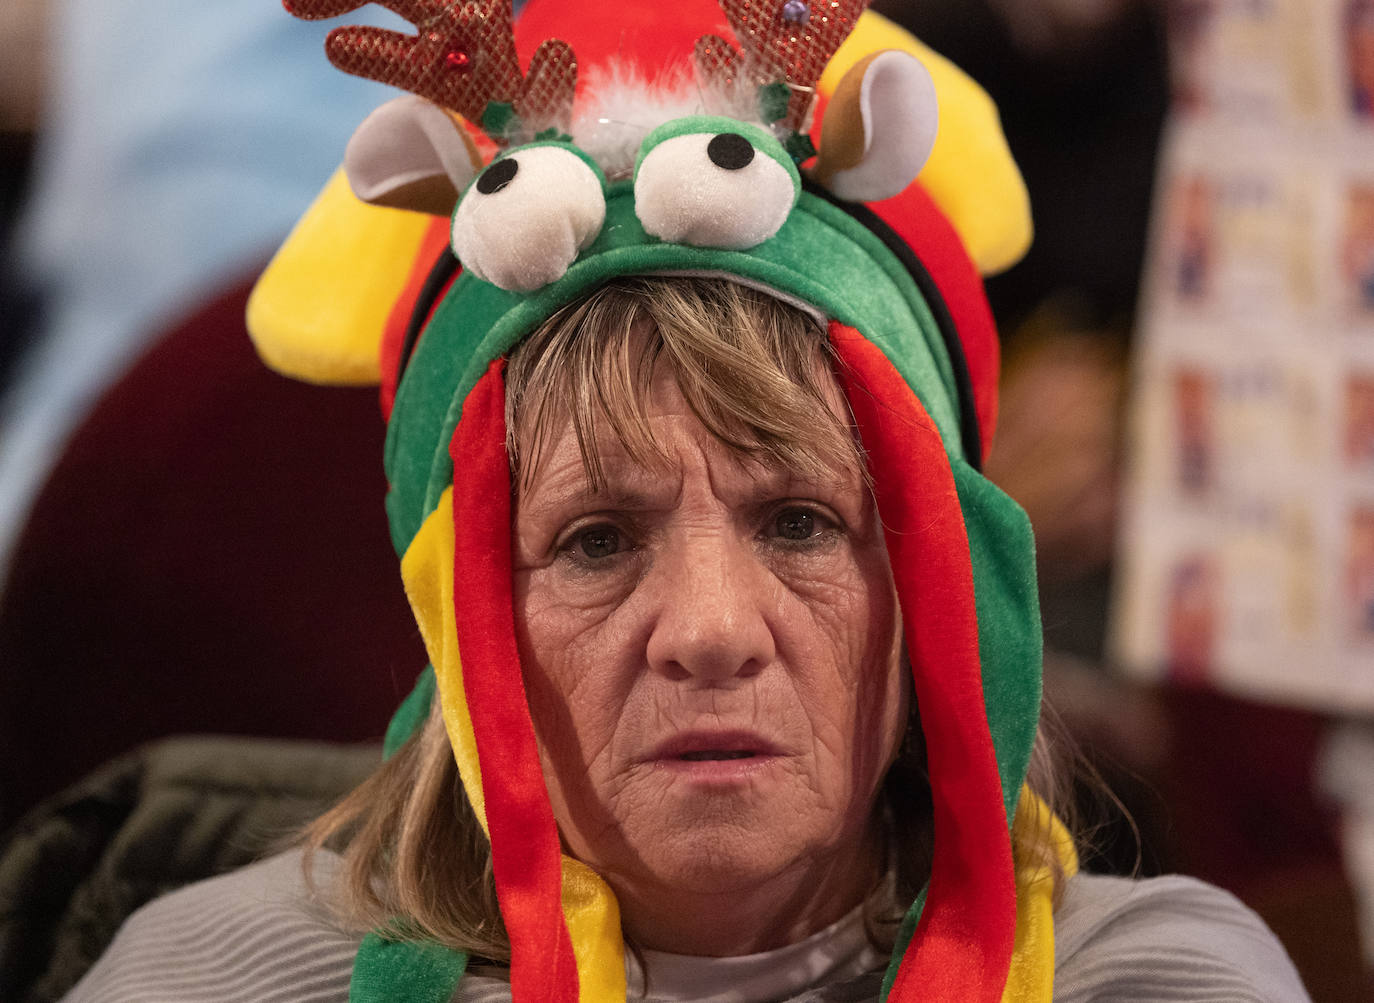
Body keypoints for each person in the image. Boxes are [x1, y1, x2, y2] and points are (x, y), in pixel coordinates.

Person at [61, 1, 1309, 1000]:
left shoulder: (1157, 982)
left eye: (801, 522)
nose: (712, 630)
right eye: (596, 541)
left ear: (939, 570)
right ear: (461, 607)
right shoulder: (213, 980)